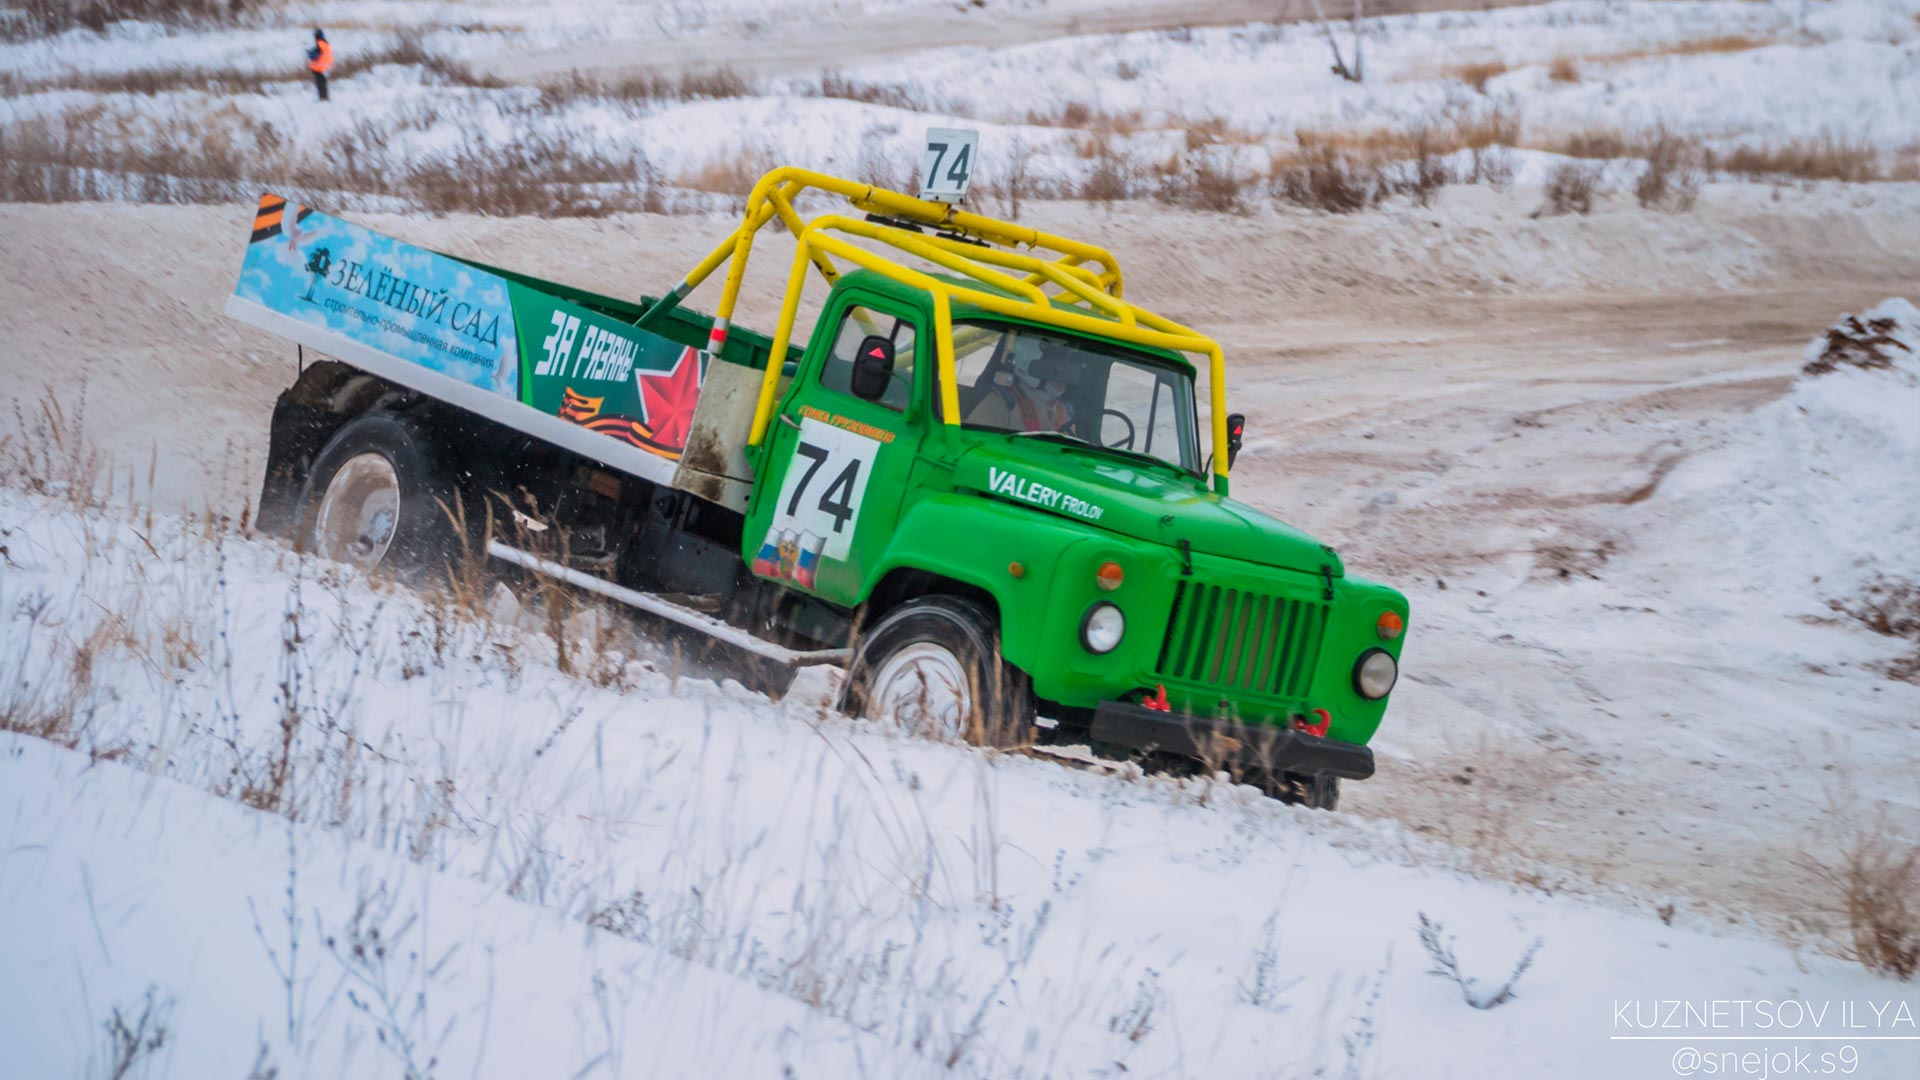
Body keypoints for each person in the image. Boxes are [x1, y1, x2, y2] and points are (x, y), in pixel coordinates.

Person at [966, 334, 1078, 434]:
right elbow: (972, 447)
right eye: (1055, 372)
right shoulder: (1001, 403)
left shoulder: (1065, 413)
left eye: (1067, 373)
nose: (1063, 380)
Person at [307, 29, 333, 102]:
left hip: (319, 67)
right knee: (323, 82)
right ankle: (325, 97)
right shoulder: (326, 44)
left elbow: (315, 55)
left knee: (320, 83)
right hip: (327, 66)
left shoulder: (319, 43)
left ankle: (322, 98)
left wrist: (309, 53)